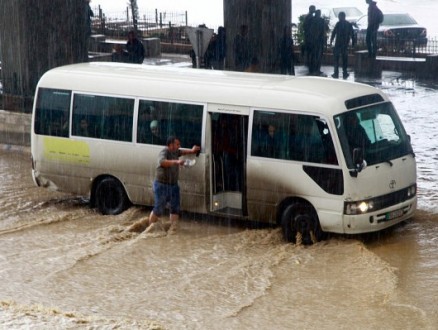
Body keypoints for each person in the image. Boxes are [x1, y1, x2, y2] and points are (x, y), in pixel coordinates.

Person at [145, 137, 200, 234]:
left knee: (175, 208)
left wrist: (192, 151)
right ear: (171, 145)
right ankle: (149, 230)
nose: (179, 146)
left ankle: (173, 230)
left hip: (173, 185)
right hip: (162, 185)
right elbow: (162, 162)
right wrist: (176, 162)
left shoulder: (176, 151)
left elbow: (182, 152)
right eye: (177, 144)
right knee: (158, 208)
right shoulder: (164, 152)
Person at [330, 12, 355, 79]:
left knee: (338, 59)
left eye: (339, 16)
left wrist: (331, 41)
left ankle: (337, 73)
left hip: (340, 44)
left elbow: (334, 33)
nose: (339, 18)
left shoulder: (339, 24)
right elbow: (352, 34)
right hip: (343, 44)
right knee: (343, 59)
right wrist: (353, 43)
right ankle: (343, 72)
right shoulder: (348, 24)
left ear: (342, 17)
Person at [303, 5, 316, 73]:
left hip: (309, 37)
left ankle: (309, 64)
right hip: (310, 38)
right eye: (314, 9)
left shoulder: (308, 17)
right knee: (311, 52)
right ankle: (310, 65)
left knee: (310, 52)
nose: (314, 10)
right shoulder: (310, 17)